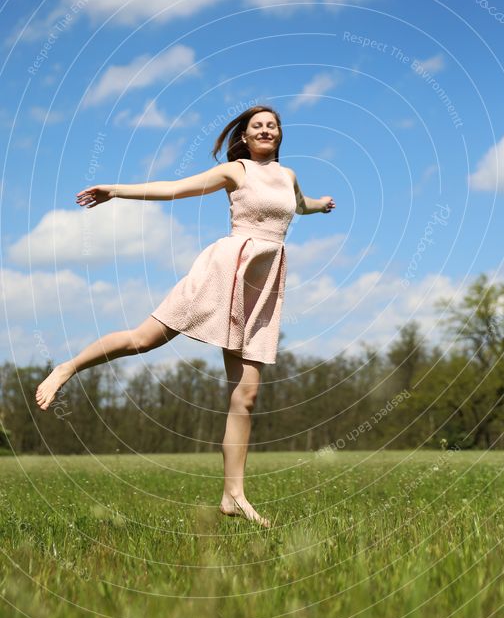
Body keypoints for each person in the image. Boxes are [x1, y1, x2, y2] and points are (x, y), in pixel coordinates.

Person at [35, 105, 335, 527]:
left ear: (280, 135)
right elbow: (176, 188)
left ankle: (233, 495)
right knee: (144, 339)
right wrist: (118, 190)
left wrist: (321, 205)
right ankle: (68, 367)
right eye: (257, 126)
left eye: (272, 125)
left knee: (246, 396)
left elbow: (298, 205)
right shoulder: (238, 172)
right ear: (245, 138)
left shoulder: (288, 177)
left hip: (262, 285)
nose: (265, 130)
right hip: (225, 269)